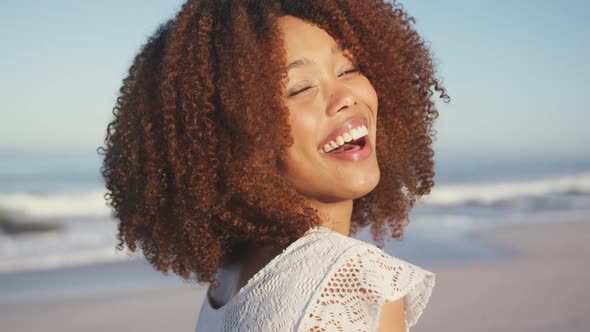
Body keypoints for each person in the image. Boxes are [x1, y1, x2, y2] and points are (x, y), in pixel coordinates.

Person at [98, 0, 449, 331]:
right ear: (234, 138)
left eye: (349, 68)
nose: (346, 97)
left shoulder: (226, 288)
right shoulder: (356, 281)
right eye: (300, 88)